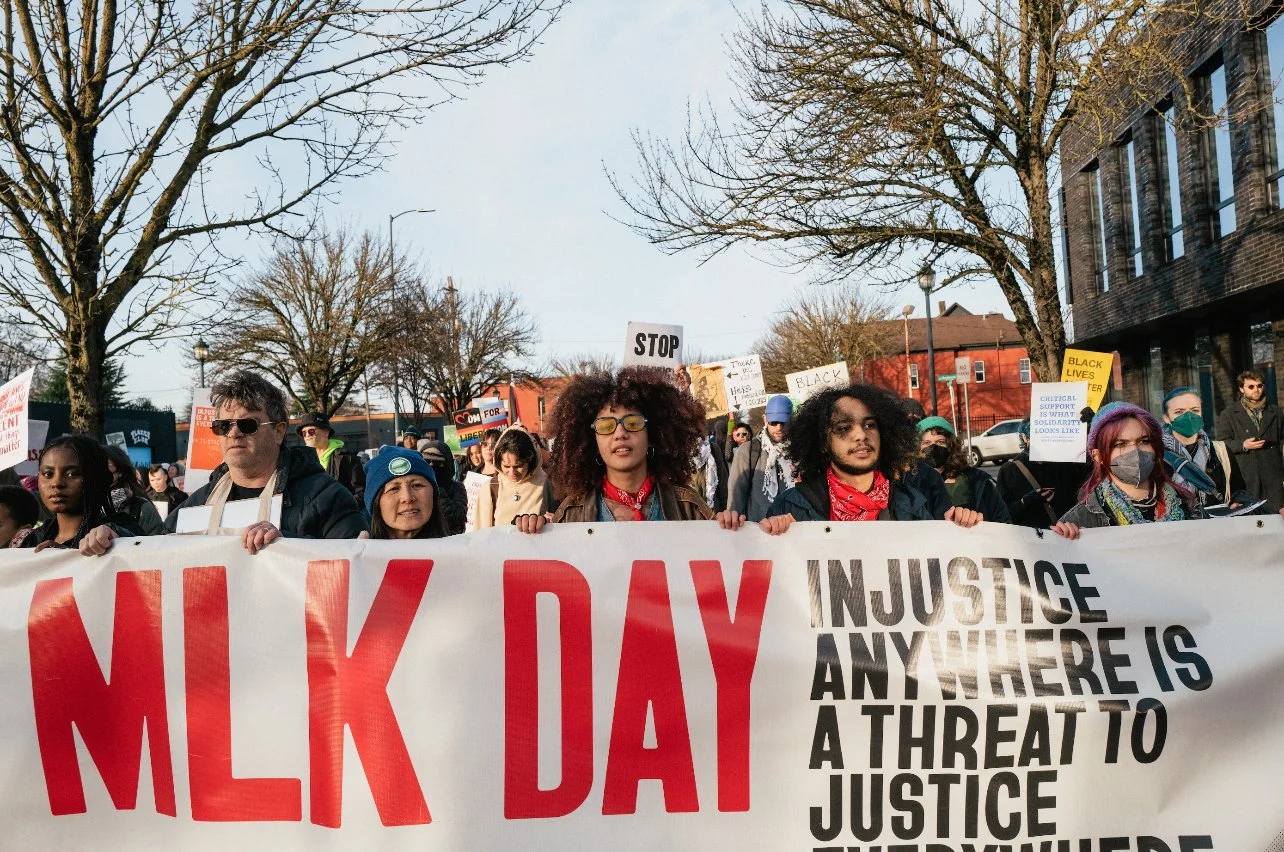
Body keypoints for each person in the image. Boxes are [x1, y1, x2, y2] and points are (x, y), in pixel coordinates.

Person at [127, 370, 365, 553]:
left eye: (247, 424)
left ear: (279, 431)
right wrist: (114, 536)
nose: (233, 433)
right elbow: (153, 551)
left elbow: (354, 569)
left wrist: (289, 547)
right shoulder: (198, 503)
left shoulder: (327, 498)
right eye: (223, 426)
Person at [718, 384, 982, 533]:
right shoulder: (793, 506)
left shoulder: (911, 503)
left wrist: (960, 531)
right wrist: (769, 538)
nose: (860, 436)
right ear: (823, 441)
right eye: (844, 428)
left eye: (870, 425)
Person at [517, 366, 714, 532]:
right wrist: (536, 535)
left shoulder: (688, 506)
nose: (620, 433)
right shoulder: (571, 513)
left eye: (633, 423)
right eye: (605, 426)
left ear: (653, 433)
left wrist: (730, 529)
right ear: (591, 440)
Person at [1055, 402, 1203, 537]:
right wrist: (1069, 542)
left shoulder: (1187, 503)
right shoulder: (1082, 518)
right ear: (1098, 456)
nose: (1135, 451)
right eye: (1120, 444)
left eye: (1144, 441)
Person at [23, 435, 140, 552]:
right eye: (48, 474)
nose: (57, 483)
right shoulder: (30, 541)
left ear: (99, 479)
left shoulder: (119, 533)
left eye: (73, 474)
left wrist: (113, 537)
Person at [1160, 387, 1259, 512]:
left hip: (1216, 527)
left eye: (1195, 410)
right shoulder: (1157, 455)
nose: (1189, 417)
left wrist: (1238, 504)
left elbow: (1238, 491)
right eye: (1179, 412)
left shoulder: (1220, 451)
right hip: (1177, 528)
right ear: (1167, 418)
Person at [916, 416, 1011, 522]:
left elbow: (1001, 518)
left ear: (951, 445)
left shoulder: (976, 481)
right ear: (917, 448)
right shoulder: (908, 483)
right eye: (926, 443)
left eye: (940, 442)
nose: (933, 447)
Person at [996, 420, 1090, 528]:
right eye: (1038, 434)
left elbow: (1091, 483)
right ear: (1025, 437)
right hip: (1031, 541)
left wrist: (1087, 430)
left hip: (1068, 537)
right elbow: (1001, 515)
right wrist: (1024, 502)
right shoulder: (1010, 470)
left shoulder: (1065, 464)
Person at [1216, 371, 1283, 509]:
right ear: (1242, 389)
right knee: (1251, 520)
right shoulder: (1229, 414)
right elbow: (1222, 443)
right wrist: (1243, 445)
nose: (1256, 390)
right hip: (1246, 475)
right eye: (1251, 387)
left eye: (1259, 386)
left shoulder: (1275, 412)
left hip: (1273, 476)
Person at [727, 394, 798, 522]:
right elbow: (736, 498)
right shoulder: (747, 451)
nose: (779, 427)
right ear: (765, 419)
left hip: (795, 529)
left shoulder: (800, 450)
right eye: (774, 422)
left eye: (783, 422)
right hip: (760, 531)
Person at [475, 428, 556, 528]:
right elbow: (482, 535)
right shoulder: (490, 488)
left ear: (530, 461)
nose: (512, 472)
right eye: (506, 466)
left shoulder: (549, 484)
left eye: (518, 466)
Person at [364, 448, 451, 539]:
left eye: (417, 485)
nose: (407, 497)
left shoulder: (460, 550)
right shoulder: (357, 551)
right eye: (394, 488)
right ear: (376, 502)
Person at [297, 412, 365, 500]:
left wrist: (342, 510)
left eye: (311, 431)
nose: (307, 435)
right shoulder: (301, 462)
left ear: (326, 432)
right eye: (304, 433)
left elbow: (360, 493)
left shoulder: (348, 459)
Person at [103, 444, 165, 534]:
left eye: (105, 466)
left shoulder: (142, 508)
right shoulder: (85, 506)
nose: (99, 472)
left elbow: (158, 544)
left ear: (120, 471)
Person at [419, 439, 468, 534]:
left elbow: (456, 516)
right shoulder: (415, 487)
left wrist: (437, 488)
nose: (431, 466)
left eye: (437, 463)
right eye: (427, 462)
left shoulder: (457, 487)